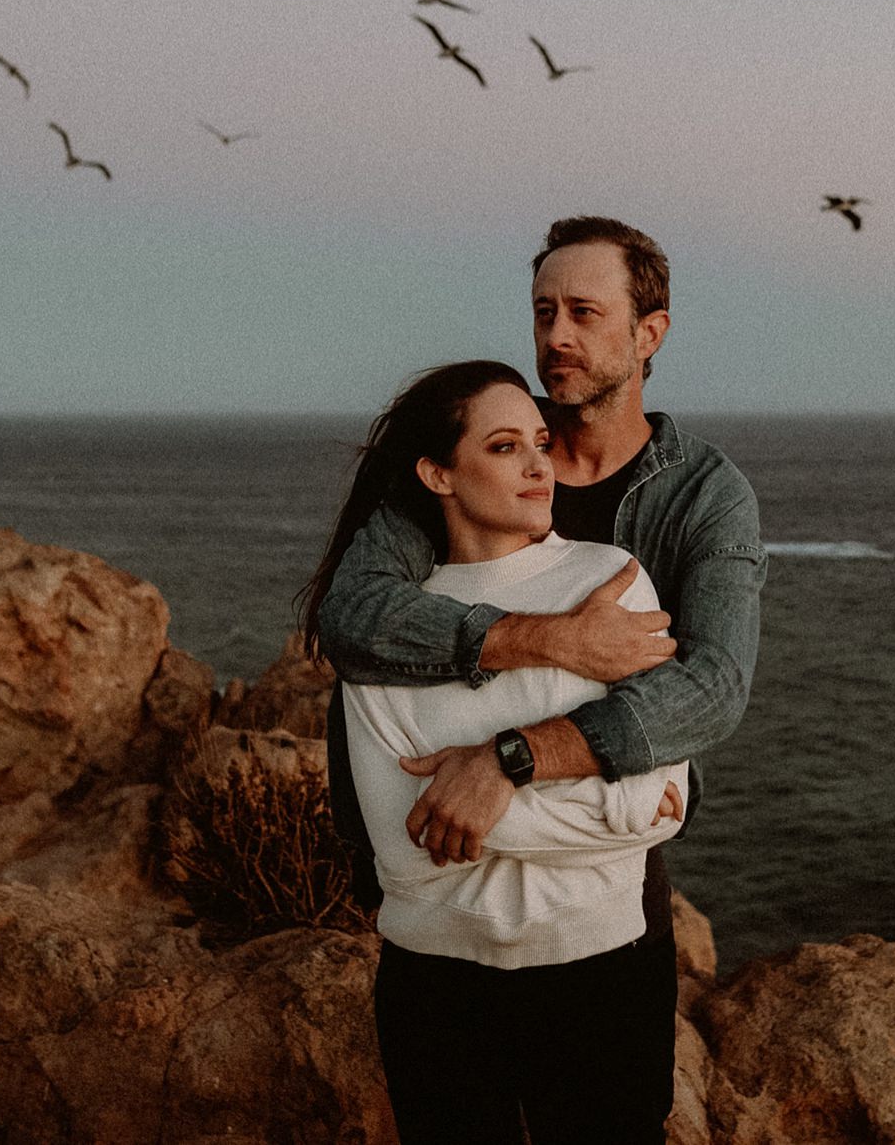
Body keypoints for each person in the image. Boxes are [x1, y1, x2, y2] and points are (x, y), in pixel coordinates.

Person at [311, 216, 767, 1120]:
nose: (556, 335)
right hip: (438, 909)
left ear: (649, 333)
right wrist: (547, 639)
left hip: (605, 884)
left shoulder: (702, 497)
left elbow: (710, 689)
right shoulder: (478, 454)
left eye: (585, 313)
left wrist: (510, 760)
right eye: (543, 310)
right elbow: (354, 617)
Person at [302, 359, 691, 1143]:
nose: (540, 464)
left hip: (600, 976)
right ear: (438, 473)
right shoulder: (390, 630)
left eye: (541, 443)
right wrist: (596, 811)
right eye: (506, 446)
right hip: (435, 988)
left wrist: (480, 782)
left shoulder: (612, 584)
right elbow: (401, 847)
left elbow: (658, 803)